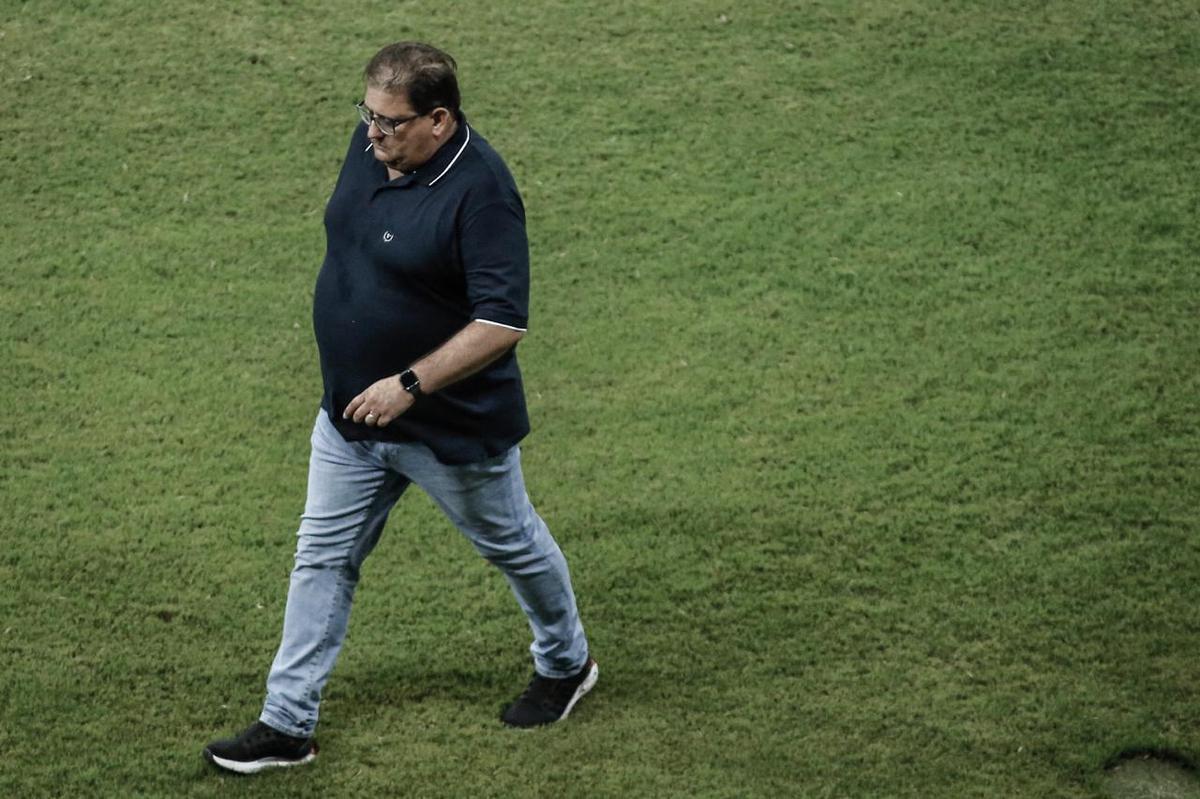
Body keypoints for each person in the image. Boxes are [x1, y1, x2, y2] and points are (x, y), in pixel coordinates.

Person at [203, 41, 596, 775]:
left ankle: (566, 660)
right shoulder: (374, 146)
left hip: (449, 428)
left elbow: (502, 322)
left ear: (440, 119)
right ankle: (287, 722)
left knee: (511, 543)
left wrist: (407, 384)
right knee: (321, 554)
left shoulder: (482, 192)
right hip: (350, 418)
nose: (372, 136)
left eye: (391, 123)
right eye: (368, 115)